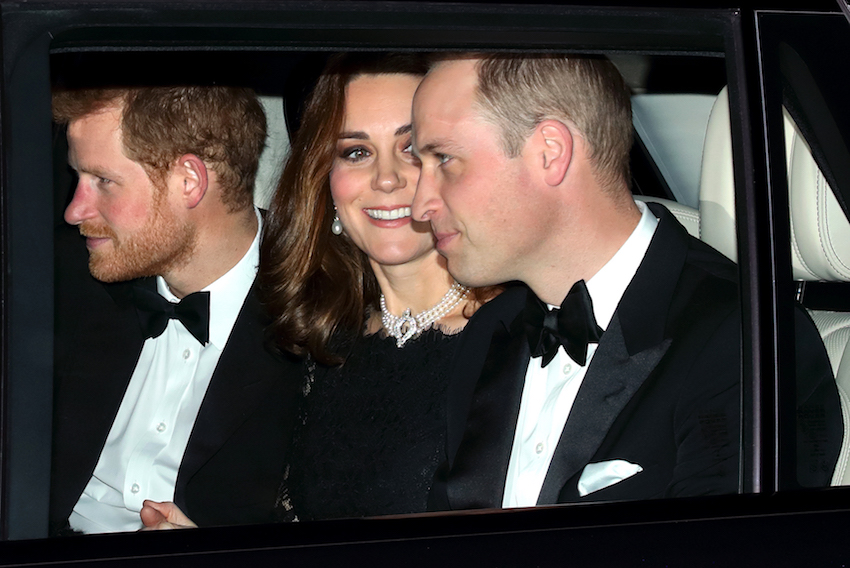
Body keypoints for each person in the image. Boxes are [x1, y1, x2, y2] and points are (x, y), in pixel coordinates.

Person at [410, 54, 842, 510]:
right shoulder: (492, 331)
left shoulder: (748, 343)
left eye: (444, 159)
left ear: (549, 153)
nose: (419, 206)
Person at [140, 53, 495, 529]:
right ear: (324, 182)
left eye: (412, 149)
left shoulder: (517, 338)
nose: (386, 178)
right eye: (355, 152)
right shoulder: (315, 340)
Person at [50, 85, 302, 534]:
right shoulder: (59, 276)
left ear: (189, 181)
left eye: (103, 181)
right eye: (78, 179)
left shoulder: (325, 310)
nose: (74, 210)